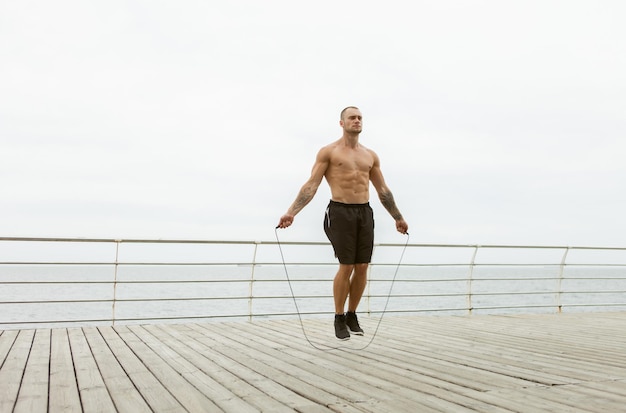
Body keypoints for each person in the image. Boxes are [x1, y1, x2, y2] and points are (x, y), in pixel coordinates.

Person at [277, 106, 409, 340]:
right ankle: (339, 317)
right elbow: (312, 185)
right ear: (342, 123)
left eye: (359, 118)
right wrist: (291, 212)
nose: (357, 121)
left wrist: (397, 217)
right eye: (352, 118)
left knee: (362, 266)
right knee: (346, 266)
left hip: (364, 212)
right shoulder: (329, 152)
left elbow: (382, 190)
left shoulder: (370, 155)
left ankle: (352, 314)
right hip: (339, 212)